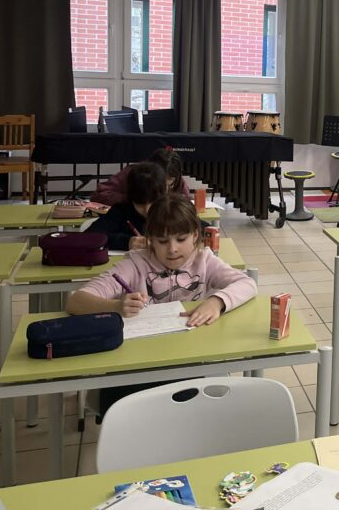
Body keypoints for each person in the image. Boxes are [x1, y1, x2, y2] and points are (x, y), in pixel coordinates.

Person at [67, 194, 257, 413]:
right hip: (137, 366)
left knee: (191, 408)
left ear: (195, 235)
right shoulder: (135, 264)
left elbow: (247, 283)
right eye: (163, 241)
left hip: (186, 361)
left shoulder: (204, 259)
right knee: (136, 410)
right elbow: (76, 301)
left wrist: (217, 302)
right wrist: (116, 307)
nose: (172, 249)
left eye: (181, 239)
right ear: (150, 240)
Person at [88, 162, 167, 250]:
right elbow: (91, 236)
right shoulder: (122, 211)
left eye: (153, 202)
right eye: (140, 204)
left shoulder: (173, 212)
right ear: (131, 197)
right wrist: (127, 242)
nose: (147, 210)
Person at [91, 147, 190, 207]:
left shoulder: (177, 179)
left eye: (170, 184)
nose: (165, 190)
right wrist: (135, 198)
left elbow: (187, 203)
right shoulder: (133, 173)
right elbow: (99, 195)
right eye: (160, 184)